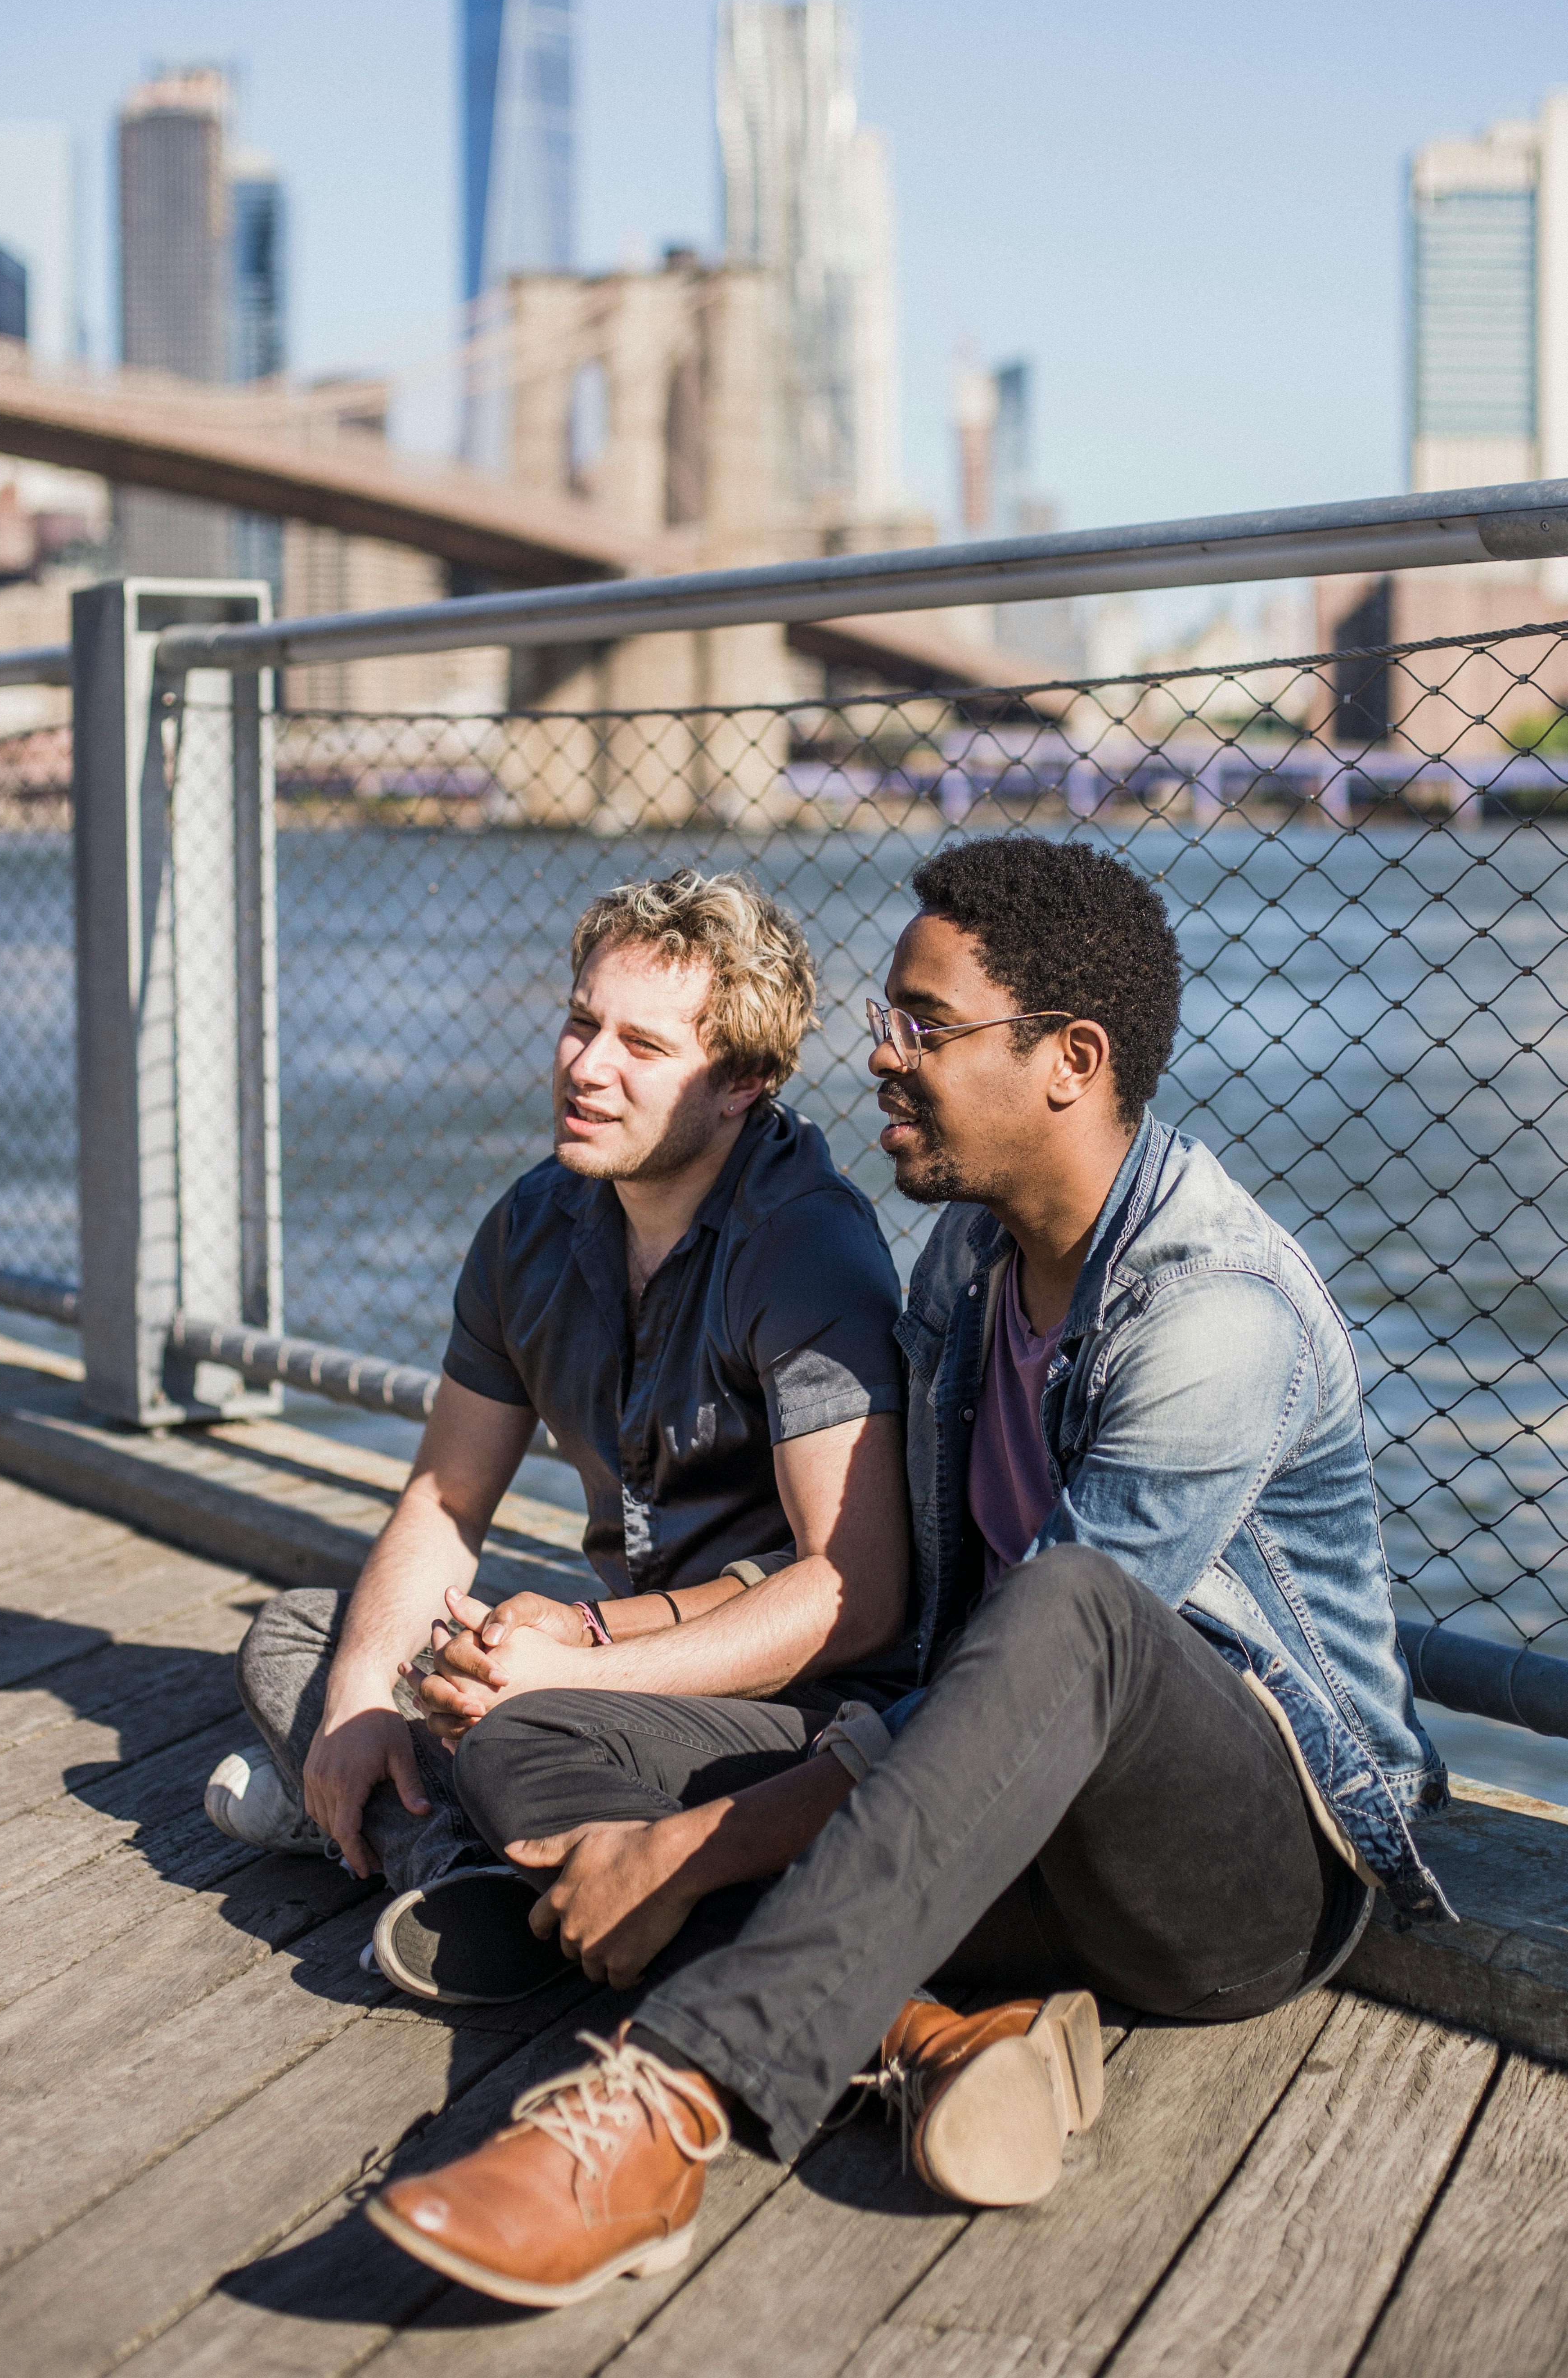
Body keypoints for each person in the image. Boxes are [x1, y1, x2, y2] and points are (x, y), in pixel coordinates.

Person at [365, 834, 1451, 2308]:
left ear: (1069, 1059)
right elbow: (915, 1653)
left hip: (1233, 1874)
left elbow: (1051, 1641)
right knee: (529, 1717)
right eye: (887, 1016)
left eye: (920, 1025)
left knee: (1075, 1603)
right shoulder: (965, 1269)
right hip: (982, 1816)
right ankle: (934, 2028)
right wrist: (591, 1674)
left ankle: (666, 2104)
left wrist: (691, 1846)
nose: (877, 1055)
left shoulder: (1216, 1315)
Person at [206, 868, 912, 2000]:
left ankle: (437, 1848)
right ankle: (462, 1868)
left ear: (745, 1082)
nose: (586, 1066)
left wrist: (563, 1670)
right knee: (305, 1637)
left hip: (790, 1699)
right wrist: (360, 1707)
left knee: (493, 1733)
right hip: (602, 1662)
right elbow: (445, 1499)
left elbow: (857, 1596)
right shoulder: (533, 1224)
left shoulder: (807, 1250)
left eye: (642, 1044)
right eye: (583, 1021)